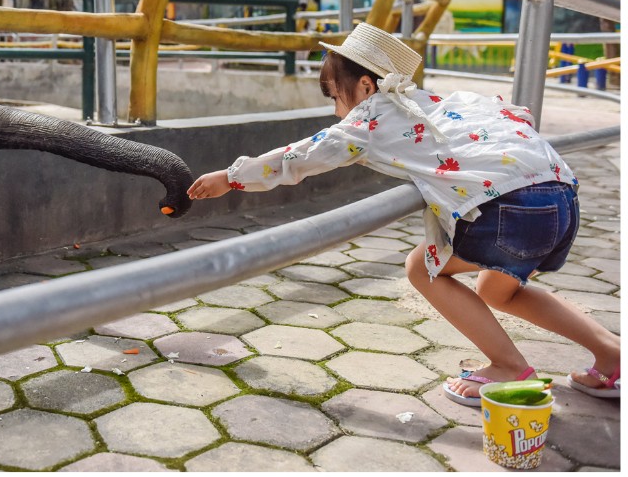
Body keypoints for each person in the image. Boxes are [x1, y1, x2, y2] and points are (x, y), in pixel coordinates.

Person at [189, 23, 619, 406]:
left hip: (513, 209)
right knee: (498, 290)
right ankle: (612, 356)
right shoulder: (446, 100)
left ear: (364, 85)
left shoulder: (370, 117)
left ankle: (508, 365)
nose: (336, 110)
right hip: (562, 200)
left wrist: (231, 176)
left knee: (422, 267)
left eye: (334, 96)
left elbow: (303, 155)